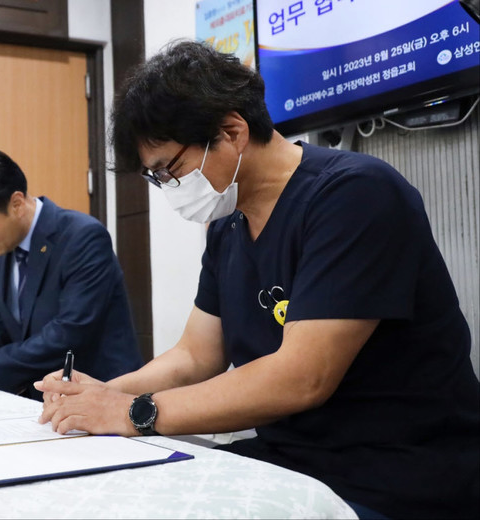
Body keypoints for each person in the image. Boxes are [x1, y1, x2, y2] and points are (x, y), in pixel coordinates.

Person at [36, 41, 480, 519]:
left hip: (392, 473)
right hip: (290, 461)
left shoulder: (355, 194)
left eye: (171, 170)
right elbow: (195, 355)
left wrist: (133, 412)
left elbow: (302, 378)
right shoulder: (228, 226)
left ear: (232, 131)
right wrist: (103, 394)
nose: (170, 188)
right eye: (156, 177)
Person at [0, 148, 143, 398]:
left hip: (103, 394)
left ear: (17, 204)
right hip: (46, 400)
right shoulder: (3, 253)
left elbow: (69, 332)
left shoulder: (82, 237)